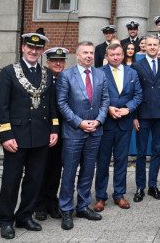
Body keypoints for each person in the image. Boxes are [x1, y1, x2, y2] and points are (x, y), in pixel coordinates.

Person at [0, 32, 58, 239]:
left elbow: (52, 106)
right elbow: (2, 107)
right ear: (23, 48)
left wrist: (54, 129)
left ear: (41, 52)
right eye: (30, 47)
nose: (33, 51)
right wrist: (6, 135)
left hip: (40, 136)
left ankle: (24, 216)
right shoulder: (8, 72)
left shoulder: (47, 74)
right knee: (11, 181)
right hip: (16, 137)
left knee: (34, 180)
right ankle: (6, 220)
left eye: (38, 49)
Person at [56, 41, 110, 230]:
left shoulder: (100, 75)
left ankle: (82, 206)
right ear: (77, 55)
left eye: (91, 52)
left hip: (95, 131)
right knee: (69, 173)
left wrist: (99, 120)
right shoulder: (66, 76)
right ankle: (66, 209)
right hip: (73, 132)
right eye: (84, 52)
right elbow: (62, 104)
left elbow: (105, 101)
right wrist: (79, 122)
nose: (88, 56)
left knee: (88, 172)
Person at [93, 43, 142, 212]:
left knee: (122, 161)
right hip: (105, 124)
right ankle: (100, 196)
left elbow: (138, 95)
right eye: (112, 54)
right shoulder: (98, 72)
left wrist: (128, 108)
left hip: (124, 124)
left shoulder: (132, 72)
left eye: (118, 54)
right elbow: (94, 97)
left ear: (123, 55)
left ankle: (119, 194)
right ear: (106, 56)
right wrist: (107, 109)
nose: (115, 57)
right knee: (103, 162)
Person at [131, 35, 160, 203]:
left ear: (159, 47)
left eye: (155, 45)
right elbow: (133, 93)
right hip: (143, 114)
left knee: (156, 151)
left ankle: (152, 185)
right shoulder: (136, 66)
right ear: (144, 47)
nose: (153, 47)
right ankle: (140, 186)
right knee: (141, 152)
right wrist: (134, 116)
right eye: (150, 45)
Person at [34, 47, 69, 222]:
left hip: (62, 133)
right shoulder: (41, 79)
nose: (58, 63)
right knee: (40, 169)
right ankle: (39, 205)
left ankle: (51, 202)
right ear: (47, 62)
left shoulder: (68, 79)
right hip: (43, 132)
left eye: (61, 60)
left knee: (56, 170)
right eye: (54, 60)